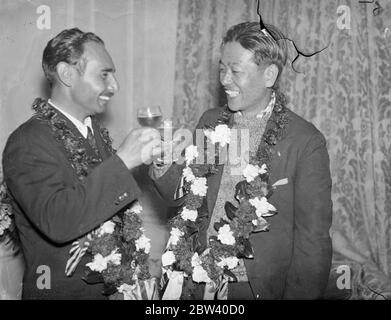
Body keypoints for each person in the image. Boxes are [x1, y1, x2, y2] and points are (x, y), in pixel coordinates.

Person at [153, 22, 333, 299]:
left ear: (269, 75)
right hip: (195, 279)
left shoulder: (305, 141)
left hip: (254, 289)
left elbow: (313, 243)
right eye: (222, 69)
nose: (225, 79)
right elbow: (184, 196)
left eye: (235, 71)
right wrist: (165, 163)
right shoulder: (211, 121)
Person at [2, 28, 162, 299]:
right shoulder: (27, 141)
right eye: (104, 74)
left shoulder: (95, 132)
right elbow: (59, 220)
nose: (115, 86)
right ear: (67, 74)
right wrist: (122, 162)